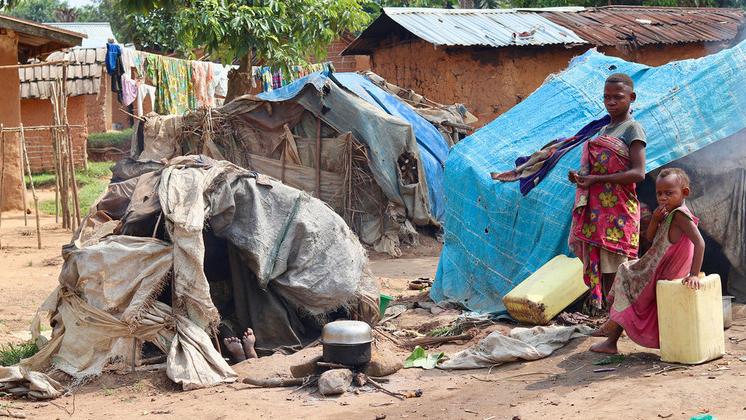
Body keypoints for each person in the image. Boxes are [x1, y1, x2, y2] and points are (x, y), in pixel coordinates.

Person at [590, 168, 705, 354]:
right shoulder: (668, 214)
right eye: (659, 193)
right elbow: (649, 238)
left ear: (684, 193)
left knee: (625, 275)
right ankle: (612, 328)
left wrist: (694, 274)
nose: (663, 198)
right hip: (657, 268)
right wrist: (654, 220)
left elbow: (700, 243)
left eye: (669, 193)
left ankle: (611, 338)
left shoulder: (680, 215)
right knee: (626, 271)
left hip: (663, 271)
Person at [568, 73, 647, 311]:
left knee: (617, 268)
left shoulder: (633, 128)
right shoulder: (603, 130)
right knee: (603, 267)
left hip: (619, 212)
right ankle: (608, 317)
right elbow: (599, 168)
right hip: (599, 213)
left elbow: (638, 173)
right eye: (606, 97)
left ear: (632, 97)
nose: (611, 102)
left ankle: (618, 318)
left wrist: (597, 179)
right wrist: (582, 178)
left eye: (618, 97)